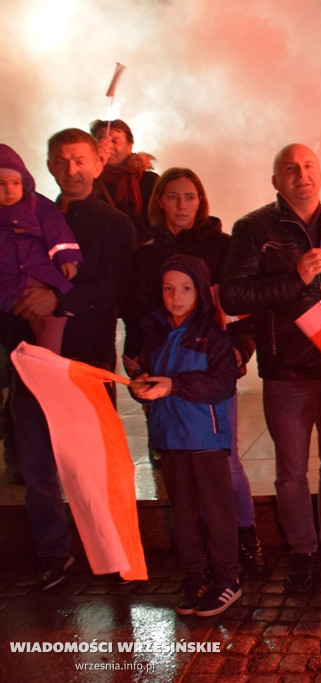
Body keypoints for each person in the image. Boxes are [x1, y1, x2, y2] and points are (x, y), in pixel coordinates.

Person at [220, 143, 321, 593]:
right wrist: (295, 279)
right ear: (275, 181)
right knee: (291, 470)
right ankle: (303, 551)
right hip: (287, 367)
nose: (301, 174)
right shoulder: (252, 228)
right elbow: (232, 296)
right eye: (290, 168)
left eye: (308, 166)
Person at [2, 128, 133, 589]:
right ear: (48, 166)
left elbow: (119, 288)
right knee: (37, 466)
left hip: (86, 358)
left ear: (99, 163)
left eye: (80, 161)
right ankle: (53, 551)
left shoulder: (114, 224)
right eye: (61, 161)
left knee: (96, 462)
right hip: (29, 358)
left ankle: (114, 550)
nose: (71, 171)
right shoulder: (22, 214)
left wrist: (57, 301)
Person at [122, 167, 264, 575]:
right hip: (161, 364)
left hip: (212, 362)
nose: (181, 205)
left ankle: (243, 534)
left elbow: (240, 305)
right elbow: (135, 311)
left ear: (201, 201)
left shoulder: (223, 247)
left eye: (190, 196)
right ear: (159, 202)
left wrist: (240, 351)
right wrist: (135, 359)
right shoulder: (145, 254)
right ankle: (193, 543)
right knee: (173, 457)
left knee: (225, 458)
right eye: (172, 196)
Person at [130, 255, 241, 617]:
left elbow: (223, 383)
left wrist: (174, 385)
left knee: (217, 511)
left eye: (186, 288)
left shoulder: (213, 336)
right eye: (168, 288)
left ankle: (227, 578)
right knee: (182, 514)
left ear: (200, 292)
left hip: (205, 438)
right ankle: (194, 577)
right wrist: (140, 387)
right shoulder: (154, 333)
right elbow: (150, 377)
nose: (175, 296)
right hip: (169, 436)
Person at [0, 144, 81, 352]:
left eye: (15, 183)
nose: (9, 191)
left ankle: (49, 362)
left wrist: (66, 257)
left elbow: (56, 229)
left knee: (54, 318)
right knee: (36, 319)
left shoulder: (36, 204)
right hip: (7, 279)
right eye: (1, 184)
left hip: (38, 271)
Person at [89, 119, 159, 245]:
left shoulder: (148, 181)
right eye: (102, 140)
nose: (108, 146)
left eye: (115, 141)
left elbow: (155, 222)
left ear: (129, 146)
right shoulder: (86, 181)